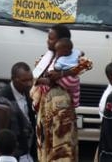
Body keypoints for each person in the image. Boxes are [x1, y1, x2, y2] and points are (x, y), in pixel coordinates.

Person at [32, 25, 82, 162]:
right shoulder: (48, 59)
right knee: (46, 146)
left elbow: (71, 81)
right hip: (46, 109)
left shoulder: (72, 61)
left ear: (61, 42)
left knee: (62, 149)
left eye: (51, 38)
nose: (47, 41)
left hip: (61, 111)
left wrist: (55, 77)